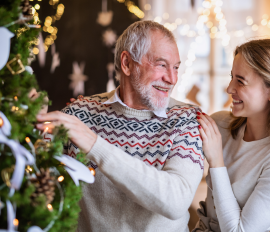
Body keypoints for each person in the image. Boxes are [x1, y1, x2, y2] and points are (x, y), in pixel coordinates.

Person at [36, 21, 204, 232]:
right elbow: (35, 174)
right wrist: (32, 123)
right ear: (126, 63)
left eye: (176, 67)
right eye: (161, 65)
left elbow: (176, 202)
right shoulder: (80, 112)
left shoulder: (187, 119)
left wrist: (95, 145)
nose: (172, 79)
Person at [193, 38, 270, 232]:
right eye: (232, 77)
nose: (229, 89)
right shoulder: (221, 124)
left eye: (240, 81)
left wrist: (216, 161)